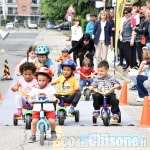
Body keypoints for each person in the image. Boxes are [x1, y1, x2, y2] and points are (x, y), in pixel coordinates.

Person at [28, 66, 59, 142]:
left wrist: (55, 99)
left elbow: (52, 96)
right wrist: (30, 100)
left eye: (43, 80)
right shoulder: (34, 88)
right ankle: (33, 135)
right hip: (38, 108)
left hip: (48, 107)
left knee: (52, 121)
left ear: (48, 80)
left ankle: (53, 132)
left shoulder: (50, 88)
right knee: (34, 121)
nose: (41, 82)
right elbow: (30, 96)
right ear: (37, 80)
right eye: (39, 80)